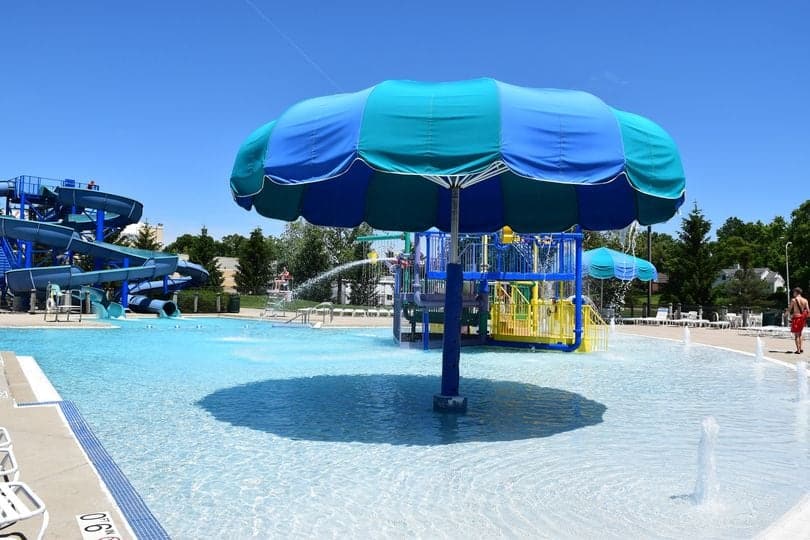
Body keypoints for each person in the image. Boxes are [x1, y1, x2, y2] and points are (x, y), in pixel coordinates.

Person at [789, 287, 809, 354]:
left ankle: (798, 350)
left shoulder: (794, 300)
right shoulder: (805, 300)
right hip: (802, 319)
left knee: (796, 335)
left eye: (794, 292)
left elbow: (789, 309)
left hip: (796, 318)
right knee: (800, 334)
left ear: (796, 292)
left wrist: (786, 314)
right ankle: (800, 348)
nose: (793, 293)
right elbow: (808, 311)